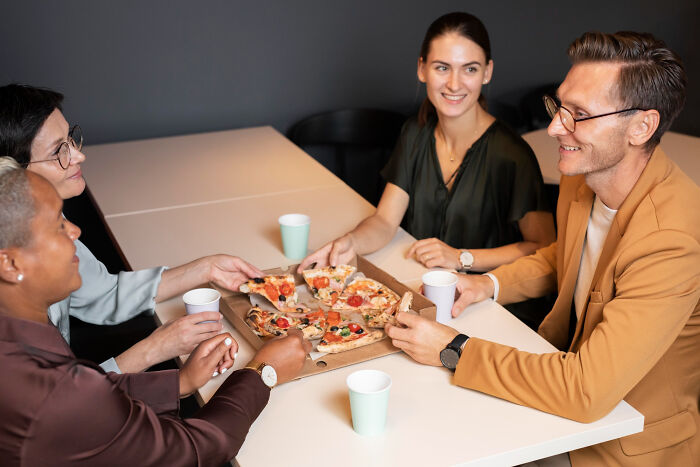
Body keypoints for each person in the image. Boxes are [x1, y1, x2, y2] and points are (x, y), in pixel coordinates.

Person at [385, 31, 699, 466]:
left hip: (621, 446)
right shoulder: (582, 174)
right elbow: (565, 257)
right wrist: (485, 284)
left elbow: (586, 391)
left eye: (580, 115)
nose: (555, 127)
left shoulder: (672, 239)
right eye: (560, 107)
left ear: (641, 126)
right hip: (561, 411)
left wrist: (452, 348)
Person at [0, 161, 312, 465]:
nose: (76, 231)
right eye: (59, 225)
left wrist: (179, 382)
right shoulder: (52, 393)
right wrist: (263, 371)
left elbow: (89, 399)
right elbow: (195, 448)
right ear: (10, 264)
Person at [298, 12, 555, 329]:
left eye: (469, 69)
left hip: (489, 308)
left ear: (487, 72)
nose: (454, 83)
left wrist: (462, 257)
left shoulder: (512, 155)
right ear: (422, 68)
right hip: (426, 297)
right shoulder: (415, 133)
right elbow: (384, 221)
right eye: (442, 67)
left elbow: (544, 249)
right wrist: (351, 242)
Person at [0, 83, 267, 374]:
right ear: (11, 173)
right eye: (58, 152)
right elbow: (63, 404)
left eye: (70, 140)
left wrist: (206, 268)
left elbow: (100, 294)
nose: (78, 155)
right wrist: (157, 350)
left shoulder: (44, 223)